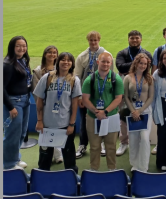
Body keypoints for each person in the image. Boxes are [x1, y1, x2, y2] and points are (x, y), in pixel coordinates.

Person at [33, 52, 81, 173]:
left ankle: (72, 179)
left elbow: (74, 104)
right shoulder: (47, 77)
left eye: (69, 60)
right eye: (63, 60)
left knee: (69, 156)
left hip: (65, 125)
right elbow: (39, 100)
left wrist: (72, 124)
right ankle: (42, 178)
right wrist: (39, 121)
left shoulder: (74, 80)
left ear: (72, 64)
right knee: (44, 157)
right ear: (58, 62)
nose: (66, 62)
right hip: (47, 124)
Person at [81, 52, 124, 171]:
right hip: (93, 117)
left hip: (111, 116)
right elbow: (85, 99)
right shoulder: (90, 79)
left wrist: (104, 112)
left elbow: (118, 98)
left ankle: (112, 169)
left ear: (111, 64)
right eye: (103, 61)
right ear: (98, 62)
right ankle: (94, 169)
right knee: (95, 146)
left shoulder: (116, 79)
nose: (105, 64)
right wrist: (96, 111)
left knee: (111, 146)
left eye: (108, 62)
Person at [75, 31, 112, 159]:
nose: (93, 42)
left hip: (101, 94)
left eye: (95, 40)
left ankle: (101, 143)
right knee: (84, 120)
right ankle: (82, 145)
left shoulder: (106, 54)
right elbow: (77, 77)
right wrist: (80, 96)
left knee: (100, 118)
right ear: (88, 41)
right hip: (86, 94)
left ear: (99, 40)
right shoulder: (82, 57)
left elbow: (110, 76)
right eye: (91, 40)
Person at [116, 30, 153, 156]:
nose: (134, 40)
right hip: (125, 89)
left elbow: (148, 69)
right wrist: (137, 62)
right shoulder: (122, 52)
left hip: (141, 92)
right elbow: (120, 67)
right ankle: (123, 142)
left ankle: (140, 147)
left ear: (141, 39)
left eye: (137, 38)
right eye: (132, 38)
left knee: (139, 127)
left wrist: (137, 64)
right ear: (128, 39)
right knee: (123, 118)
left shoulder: (147, 53)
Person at [3, 36, 32, 170]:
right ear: (12, 47)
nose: (22, 48)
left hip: (25, 100)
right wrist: (10, 107)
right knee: (12, 134)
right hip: (14, 102)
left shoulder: (22, 61)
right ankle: (8, 164)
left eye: (24, 45)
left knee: (21, 133)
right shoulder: (7, 64)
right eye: (18, 46)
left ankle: (15, 158)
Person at [32, 45, 64, 164]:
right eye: (49, 52)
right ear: (45, 54)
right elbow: (36, 91)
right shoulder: (38, 71)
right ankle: (46, 157)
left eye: (54, 52)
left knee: (57, 129)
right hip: (45, 106)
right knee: (45, 131)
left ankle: (58, 153)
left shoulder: (61, 68)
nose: (52, 55)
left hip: (58, 105)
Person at [123, 53, 154, 172]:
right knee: (134, 139)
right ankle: (135, 164)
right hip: (132, 110)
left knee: (145, 139)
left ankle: (143, 166)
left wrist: (140, 111)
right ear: (136, 63)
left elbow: (151, 97)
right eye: (141, 63)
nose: (143, 65)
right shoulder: (128, 78)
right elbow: (126, 96)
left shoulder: (150, 78)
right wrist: (133, 111)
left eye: (145, 64)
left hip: (145, 111)